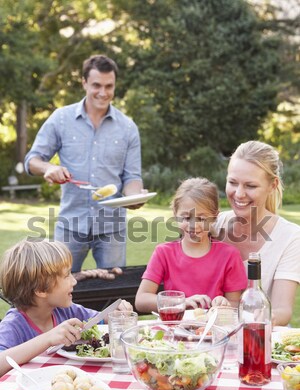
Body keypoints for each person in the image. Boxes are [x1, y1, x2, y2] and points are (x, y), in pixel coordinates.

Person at [24, 54, 144, 274]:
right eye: (96, 85)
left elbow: (132, 177)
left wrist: (134, 197)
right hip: (70, 225)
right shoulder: (61, 119)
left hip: (111, 228)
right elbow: (32, 161)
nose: (103, 92)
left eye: (109, 86)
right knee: (58, 289)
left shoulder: (128, 128)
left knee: (114, 292)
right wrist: (49, 168)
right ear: (84, 83)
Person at [0, 239, 132, 378]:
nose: (74, 281)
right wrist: (47, 339)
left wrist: (116, 314)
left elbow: (99, 321)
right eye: (66, 275)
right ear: (40, 289)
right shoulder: (13, 325)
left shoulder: (66, 311)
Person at [214, 140, 300, 326]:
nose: (239, 194)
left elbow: (282, 310)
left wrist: (257, 320)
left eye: (250, 186)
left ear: (272, 185)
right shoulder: (213, 226)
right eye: (233, 183)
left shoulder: (291, 237)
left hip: (259, 337)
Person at [135, 177, 248, 313]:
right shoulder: (163, 253)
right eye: (186, 218)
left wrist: (224, 303)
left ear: (214, 217)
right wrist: (180, 302)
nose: (193, 225)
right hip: (174, 329)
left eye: (201, 218)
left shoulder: (229, 255)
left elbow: (235, 302)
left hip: (212, 330)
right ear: (175, 214)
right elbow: (141, 300)